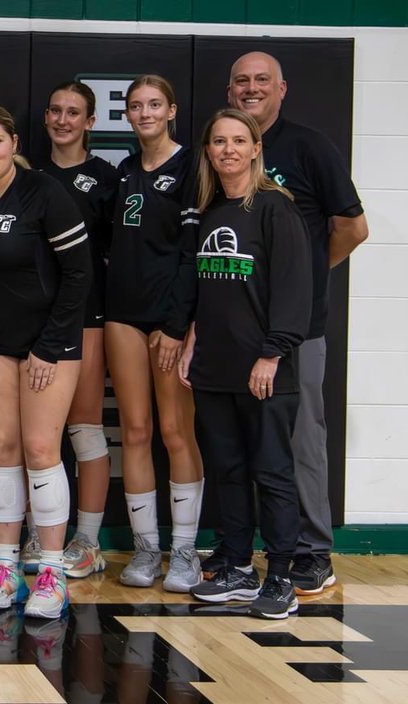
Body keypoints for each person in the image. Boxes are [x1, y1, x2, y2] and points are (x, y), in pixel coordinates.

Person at [223, 51, 368, 594]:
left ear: (282, 89)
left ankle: (312, 552)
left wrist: (299, 280)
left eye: (263, 80)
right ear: (229, 90)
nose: (252, 88)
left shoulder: (309, 146)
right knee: (240, 440)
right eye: (242, 81)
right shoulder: (222, 152)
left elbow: (353, 227)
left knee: (302, 435)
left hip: (297, 328)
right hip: (234, 327)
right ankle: (243, 552)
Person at [0, 104, 91, 618]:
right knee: (2, 449)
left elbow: (79, 274)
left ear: (13, 142)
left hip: (48, 343)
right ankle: (6, 567)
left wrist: (49, 346)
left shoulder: (44, 192)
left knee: (40, 448)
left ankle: (52, 571)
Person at [182, 108, 311, 619]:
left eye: (239, 140)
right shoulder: (210, 210)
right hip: (214, 368)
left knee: (272, 473)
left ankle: (280, 577)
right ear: (208, 152)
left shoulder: (276, 209)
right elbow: (208, 291)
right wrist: (192, 342)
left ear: (256, 149)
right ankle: (237, 566)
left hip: (264, 369)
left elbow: (294, 289)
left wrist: (272, 353)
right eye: (219, 141)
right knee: (227, 470)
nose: (229, 149)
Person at [104, 75, 202, 593]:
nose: (144, 113)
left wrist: (176, 325)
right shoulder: (124, 171)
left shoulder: (191, 167)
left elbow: (191, 254)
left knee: (174, 431)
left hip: (168, 320)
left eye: (154, 105)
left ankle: (184, 553)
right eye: (136, 106)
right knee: (136, 431)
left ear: (171, 111)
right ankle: (146, 550)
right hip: (123, 313)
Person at [34, 81, 119, 579]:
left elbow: (112, 251)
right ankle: (38, 532)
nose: (62, 120)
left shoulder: (105, 177)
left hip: (86, 316)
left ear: (90, 122)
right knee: (34, 436)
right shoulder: (27, 173)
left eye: (73, 113)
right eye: (55, 110)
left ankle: (86, 540)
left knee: (84, 428)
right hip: (32, 320)